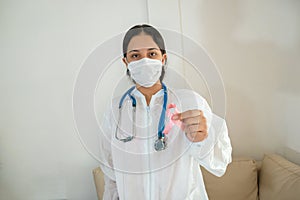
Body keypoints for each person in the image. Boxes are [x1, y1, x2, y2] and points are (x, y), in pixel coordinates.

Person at [99, 24, 232, 200]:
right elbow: (111, 174)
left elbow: (220, 163)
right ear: (126, 62)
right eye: (135, 55)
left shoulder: (189, 102)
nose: (144, 61)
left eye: (152, 53)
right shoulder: (115, 111)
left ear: (163, 58)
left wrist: (202, 140)